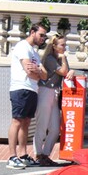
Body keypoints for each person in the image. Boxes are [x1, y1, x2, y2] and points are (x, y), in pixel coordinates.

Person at [7, 23, 48, 169]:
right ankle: (12, 157)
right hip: (21, 88)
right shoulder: (22, 47)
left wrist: (37, 70)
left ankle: (23, 155)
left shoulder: (35, 53)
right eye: (41, 35)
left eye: (45, 36)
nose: (43, 38)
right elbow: (29, 72)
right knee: (17, 121)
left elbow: (44, 74)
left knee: (26, 123)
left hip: (32, 89)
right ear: (32, 32)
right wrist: (38, 73)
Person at [34, 34, 75, 167]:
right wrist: (64, 62)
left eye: (65, 44)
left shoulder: (60, 57)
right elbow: (63, 71)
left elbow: (67, 72)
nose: (64, 47)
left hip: (55, 92)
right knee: (42, 124)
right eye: (62, 45)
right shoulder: (51, 59)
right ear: (54, 46)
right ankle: (38, 154)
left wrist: (71, 70)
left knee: (55, 128)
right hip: (46, 90)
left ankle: (46, 154)